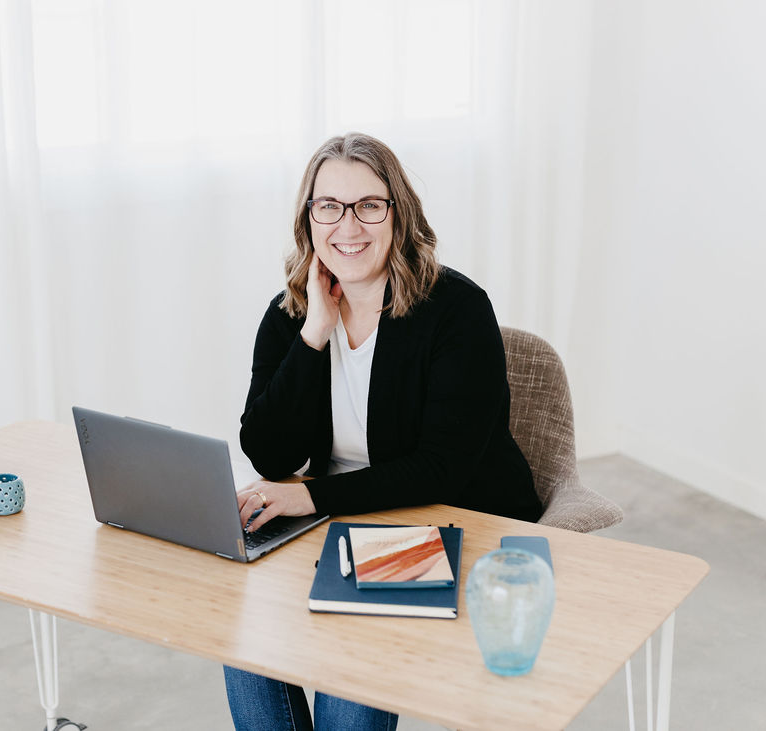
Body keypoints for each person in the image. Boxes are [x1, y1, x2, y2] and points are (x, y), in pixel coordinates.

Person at [224, 133, 542, 731]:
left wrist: (311, 496)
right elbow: (269, 451)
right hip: (341, 522)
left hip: (447, 518)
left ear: (399, 213)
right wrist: (315, 333)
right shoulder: (290, 311)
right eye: (330, 207)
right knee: (249, 633)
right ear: (308, 218)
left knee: (354, 657)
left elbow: (441, 468)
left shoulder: (456, 309)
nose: (350, 225)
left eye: (370, 205)